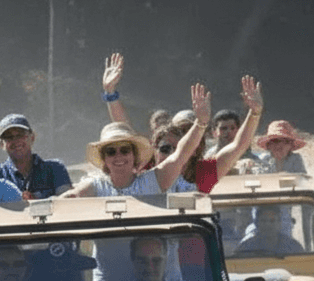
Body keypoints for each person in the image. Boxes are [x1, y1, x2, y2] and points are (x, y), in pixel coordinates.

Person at [102, 53, 262, 192]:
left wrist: (255, 112)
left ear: (190, 149)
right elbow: (124, 130)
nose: (173, 154)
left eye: (180, 147)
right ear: (155, 151)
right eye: (165, 149)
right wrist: (110, 93)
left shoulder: (202, 174)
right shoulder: (147, 170)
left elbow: (238, 146)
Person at [62, 83, 211, 198]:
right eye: (111, 152)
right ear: (104, 159)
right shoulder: (95, 186)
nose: (119, 156)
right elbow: (67, 199)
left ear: (134, 155)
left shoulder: (154, 181)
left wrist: (200, 123)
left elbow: (181, 153)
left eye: (125, 150)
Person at [0, 75, 73, 198]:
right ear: (1, 144)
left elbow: (68, 203)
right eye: (9, 137)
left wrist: (36, 201)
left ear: (32, 138)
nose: (16, 140)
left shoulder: (55, 169)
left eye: (20, 135)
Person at [110, 237, 203, 281]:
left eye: (156, 260)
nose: (149, 267)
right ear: (133, 261)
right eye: (143, 261)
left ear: (166, 260)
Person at [235, 205, 305, 256]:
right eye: (264, 221)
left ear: (279, 223)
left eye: (272, 221)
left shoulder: (294, 247)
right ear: (257, 224)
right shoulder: (245, 249)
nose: (268, 225)